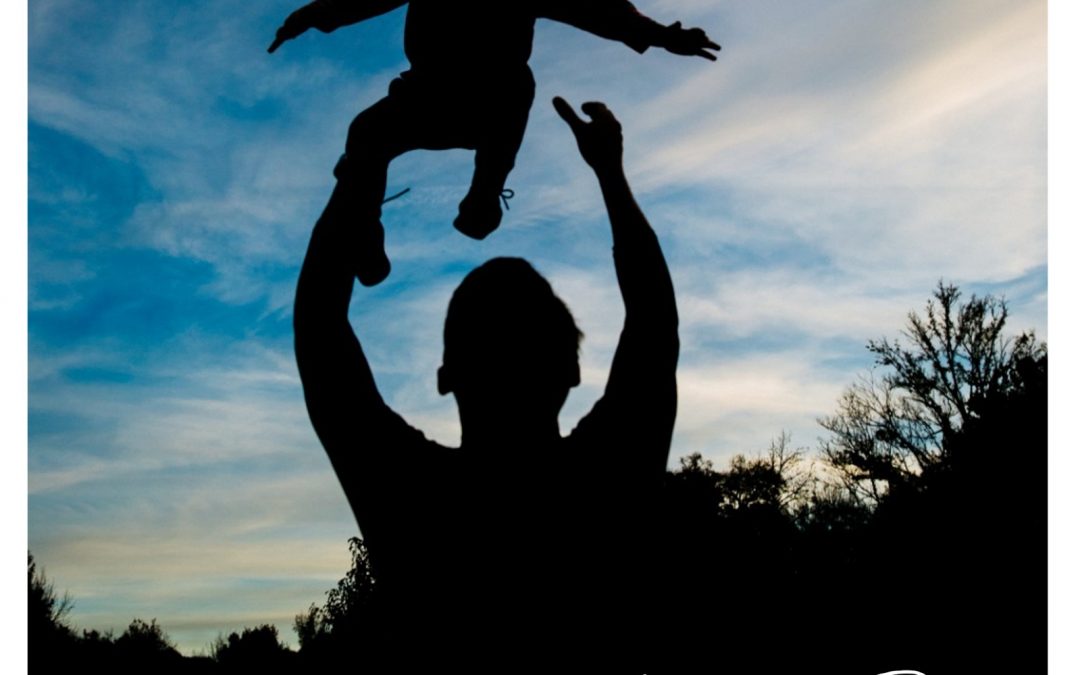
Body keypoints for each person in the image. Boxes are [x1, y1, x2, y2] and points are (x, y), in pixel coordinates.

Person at [294, 98, 678, 664]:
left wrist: (361, 171)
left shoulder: (409, 498)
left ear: (447, 376)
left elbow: (318, 325)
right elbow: (653, 323)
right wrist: (610, 176)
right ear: (571, 370)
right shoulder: (609, 475)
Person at [271, 0, 718, 286]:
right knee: (366, 132)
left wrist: (661, 35)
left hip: (485, 99)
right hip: (429, 94)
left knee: (515, 84)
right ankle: (366, 234)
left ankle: (484, 192)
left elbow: (597, 8)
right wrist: (312, 15)